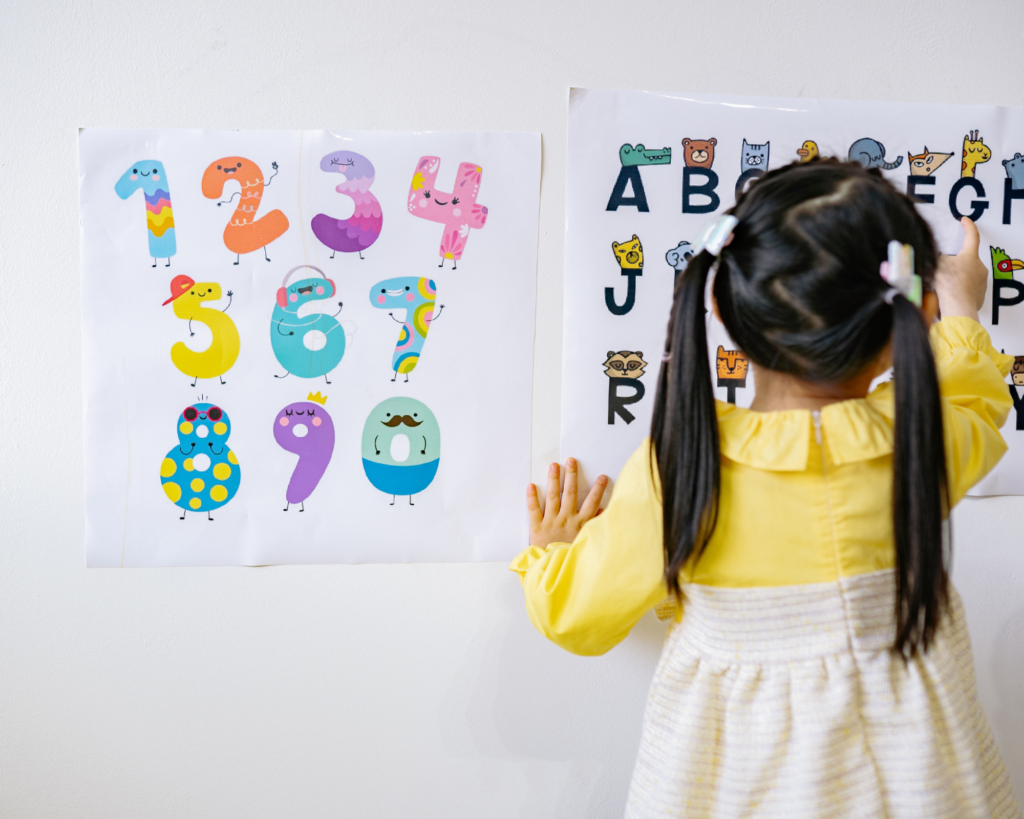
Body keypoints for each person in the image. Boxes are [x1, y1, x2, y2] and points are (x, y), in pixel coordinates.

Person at [511, 160, 1021, 818]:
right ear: (905, 322)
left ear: (721, 305)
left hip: (733, 786)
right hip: (919, 785)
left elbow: (574, 614)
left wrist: (550, 556)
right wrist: (960, 309)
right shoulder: (919, 439)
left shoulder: (685, 467)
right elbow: (975, 396)